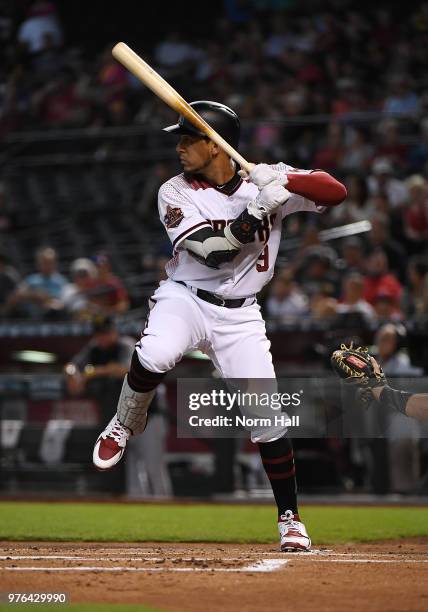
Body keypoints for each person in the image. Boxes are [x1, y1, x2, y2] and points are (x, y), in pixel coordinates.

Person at [92, 100, 347, 551]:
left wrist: (284, 180)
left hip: (242, 312)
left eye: (189, 139)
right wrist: (256, 211)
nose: (180, 148)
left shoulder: (264, 176)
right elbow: (214, 252)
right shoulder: (175, 191)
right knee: (155, 353)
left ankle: (290, 519)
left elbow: (336, 191)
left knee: (267, 419)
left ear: (217, 145)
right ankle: (125, 421)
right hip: (186, 296)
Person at [64, 314, 135, 422]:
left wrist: (92, 373)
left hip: (142, 411)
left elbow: (126, 369)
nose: (102, 337)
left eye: (105, 333)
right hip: (111, 411)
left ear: (114, 331)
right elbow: (71, 365)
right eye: (98, 334)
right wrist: (72, 375)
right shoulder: (94, 348)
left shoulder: (125, 345)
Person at [6, 246, 68, 319]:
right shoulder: (31, 280)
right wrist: (34, 295)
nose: (47, 265)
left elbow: (65, 303)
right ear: (38, 263)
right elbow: (15, 297)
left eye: (50, 262)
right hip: (31, 320)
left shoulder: (62, 282)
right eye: (44, 262)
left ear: (55, 263)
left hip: (55, 320)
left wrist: (47, 300)